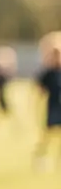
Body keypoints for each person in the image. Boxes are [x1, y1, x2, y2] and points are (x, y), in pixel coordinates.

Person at [33, 32, 61, 172]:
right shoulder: (48, 72)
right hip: (53, 106)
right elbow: (40, 88)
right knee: (47, 135)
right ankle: (40, 156)